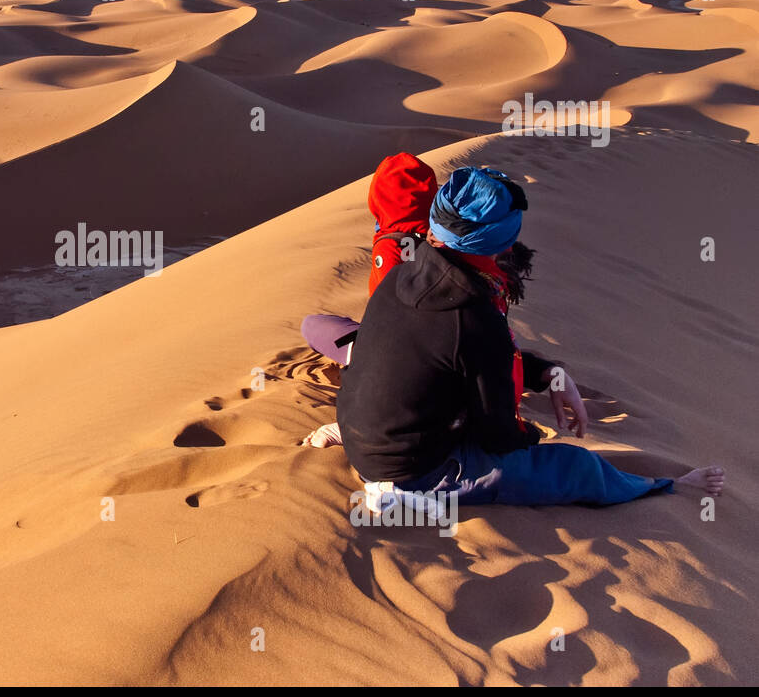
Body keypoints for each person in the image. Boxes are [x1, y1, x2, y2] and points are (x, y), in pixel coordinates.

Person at [334, 165, 725, 507]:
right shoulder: (472, 315)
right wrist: (531, 438)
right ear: (501, 241)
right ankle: (668, 488)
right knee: (576, 467)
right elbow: (498, 435)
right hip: (411, 473)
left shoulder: (412, 266)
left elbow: (463, 354)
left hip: (368, 438)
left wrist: (549, 374)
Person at [300, 152, 438, 448]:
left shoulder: (389, 248)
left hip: (399, 361)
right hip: (438, 353)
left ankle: (359, 366)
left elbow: (391, 320)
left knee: (313, 326)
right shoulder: (444, 240)